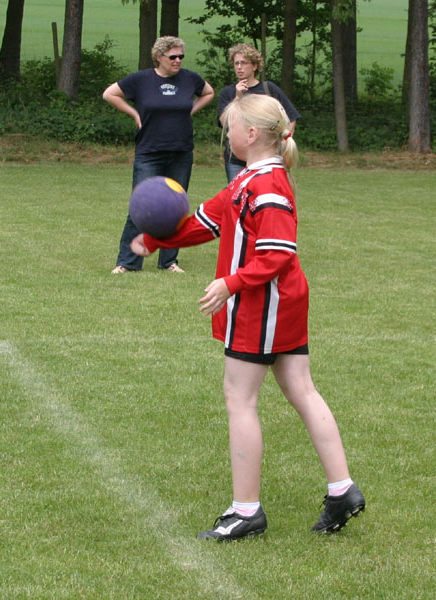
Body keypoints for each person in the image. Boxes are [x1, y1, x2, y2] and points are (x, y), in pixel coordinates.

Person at [131, 94, 365, 541]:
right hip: (276, 302)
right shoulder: (248, 180)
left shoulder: (267, 186)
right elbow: (207, 219)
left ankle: (246, 512)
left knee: (240, 398)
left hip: (264, 303)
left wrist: (229, 284)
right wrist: (157, 240)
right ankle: (342, 489)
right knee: (300, 388)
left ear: (251, 135)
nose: (227, 136)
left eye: (230, 129)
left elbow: (277, 254)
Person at [103, 36, 214, 274]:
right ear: (159, 57)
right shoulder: (141, 80)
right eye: (172, 57)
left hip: (181, 152)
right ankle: (127, 262)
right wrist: (133, 113)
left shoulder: (190, 78)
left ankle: (169, 261)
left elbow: (208, 92)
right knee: (141, 207)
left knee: (175, 208)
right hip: (149, 152)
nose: (177, 61)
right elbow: (109, 94)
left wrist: (190, 111)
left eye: (181, 56)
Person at [218, 42, 300, 183]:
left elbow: (291, 117)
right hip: (236, 160)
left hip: (265, 157)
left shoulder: (269, 89)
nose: (239, 67)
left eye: (243, 63)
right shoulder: (228, 93)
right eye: (236, 63)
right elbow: (225, 123)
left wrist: (283, 140)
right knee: (237, 200)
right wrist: (238, 98)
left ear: (254, 66)